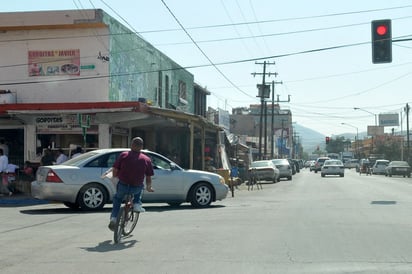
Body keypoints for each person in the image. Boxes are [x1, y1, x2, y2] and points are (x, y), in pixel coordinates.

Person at [108, 137, 155, 231]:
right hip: (136, 187)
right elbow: (148, 177)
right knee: (140, 188)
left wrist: (114, 177)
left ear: (131, 145)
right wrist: (149, 187)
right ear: (141, 147)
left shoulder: (123, 155)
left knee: (117, 199)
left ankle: (113, 218)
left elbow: (115, 169)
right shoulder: (146, 159)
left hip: (123, 185)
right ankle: (137, 203)